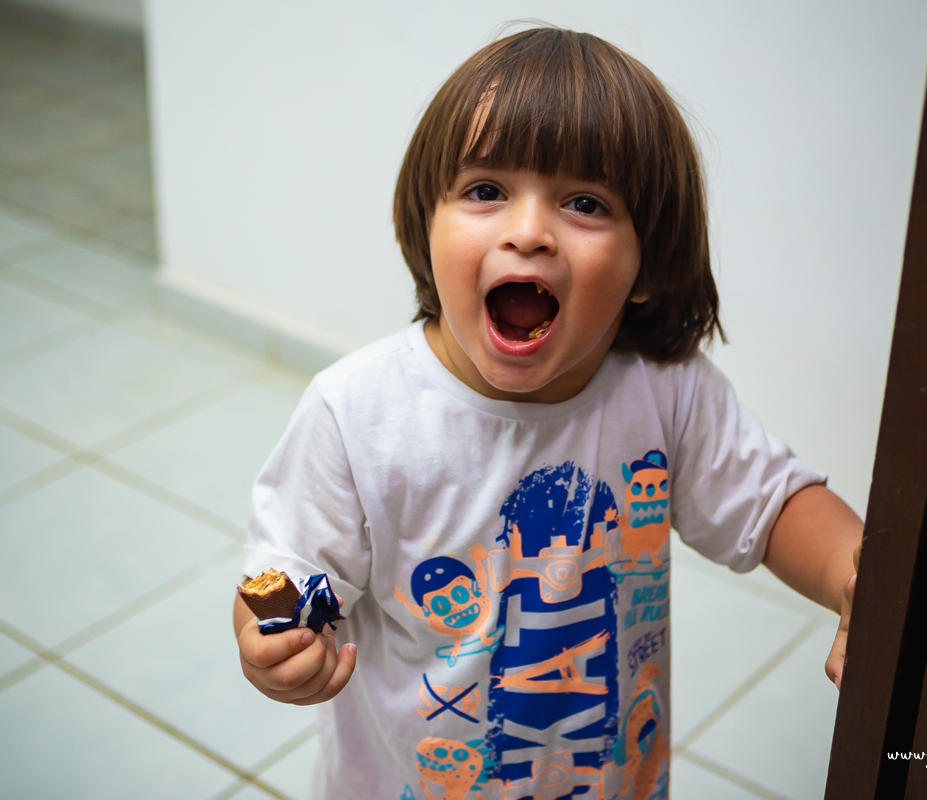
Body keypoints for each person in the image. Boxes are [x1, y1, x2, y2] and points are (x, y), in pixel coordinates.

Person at [233, 26, 863, 800]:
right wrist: (276, 640)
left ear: (644, 263)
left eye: (586, 203)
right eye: (485, 190)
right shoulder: (356, 413)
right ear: (425, 225)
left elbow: (771, 505)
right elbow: (287, 569)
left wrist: (855, 573)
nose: (528, 231)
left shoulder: (664, 392)